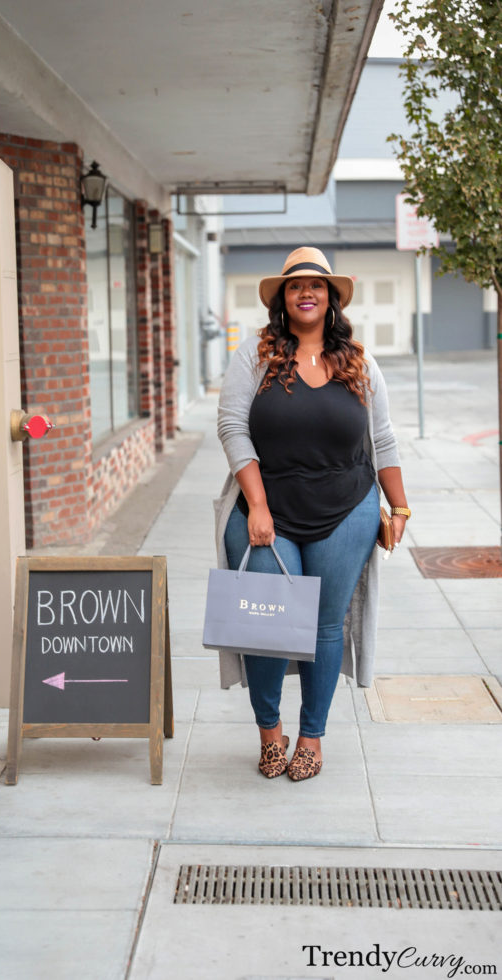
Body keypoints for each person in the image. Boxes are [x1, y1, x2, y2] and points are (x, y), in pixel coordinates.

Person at [214, 247, 410, 782]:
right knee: (268, 624)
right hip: (267, 511)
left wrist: (399, 504)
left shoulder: (359, 363)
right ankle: (269, 733)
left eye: (317, 286)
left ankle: (312, 738)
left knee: (326, 626)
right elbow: (233, 427)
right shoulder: (255, 358)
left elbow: (384, 439)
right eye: (296, 285)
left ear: (331, 298)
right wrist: (256, 504)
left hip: (346, 509)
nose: (307, 292)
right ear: (282, 298)